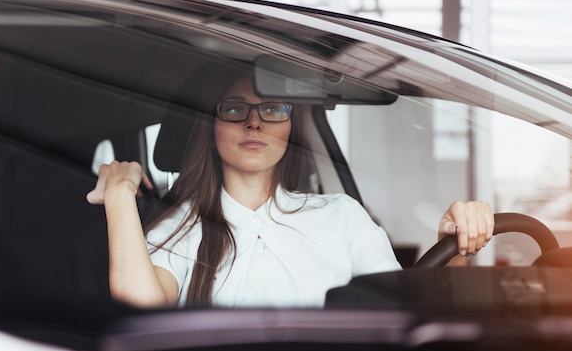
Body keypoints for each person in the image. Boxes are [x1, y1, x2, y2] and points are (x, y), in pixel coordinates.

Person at [86, 64, 494, 309]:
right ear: (212, 126)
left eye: (274, 108)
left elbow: (410, 314)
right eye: (234, 108)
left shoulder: (342, 216)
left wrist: (453, 245)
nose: (254, 121)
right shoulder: (179, 230)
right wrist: (120, 195)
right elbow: (138, 302)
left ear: (290, 126)